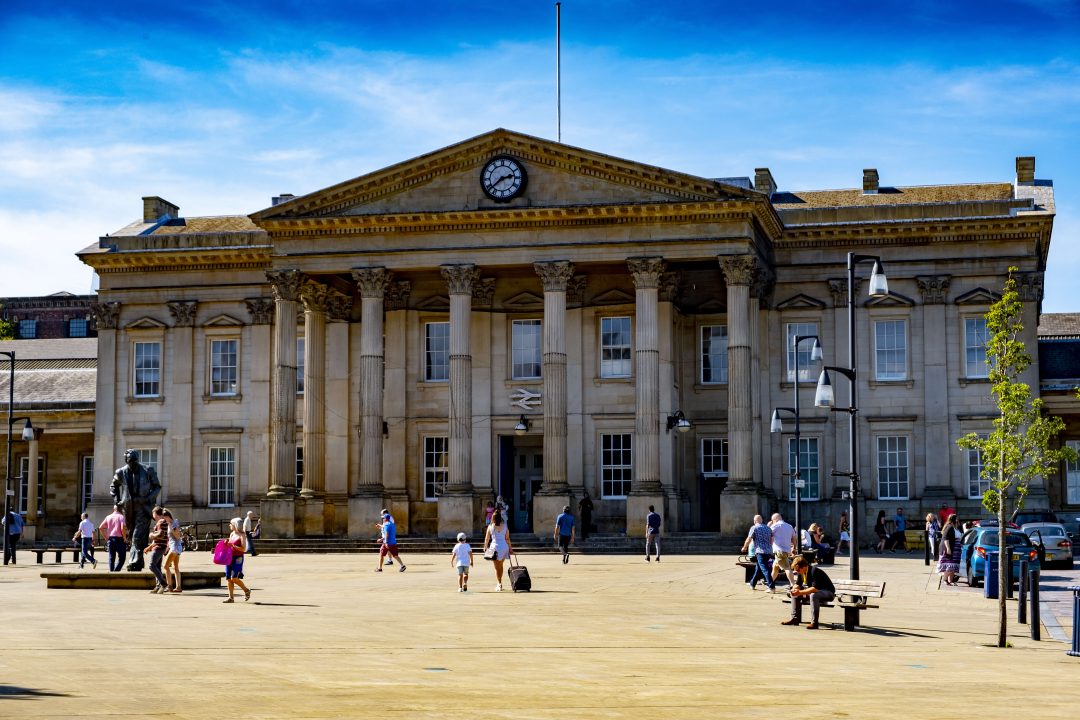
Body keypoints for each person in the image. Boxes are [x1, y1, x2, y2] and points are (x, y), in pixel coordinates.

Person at [110, 449, 161, 571]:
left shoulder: (148, 470)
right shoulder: (121, 472)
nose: (132, 463)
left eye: (134, 461)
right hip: (128, 508)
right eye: (129, 461)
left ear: (137, 460)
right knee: (133, 535)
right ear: (126, 461)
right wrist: (117, 501)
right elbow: (113, 486)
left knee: (137, 536)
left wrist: (147, 498)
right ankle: (139, 562)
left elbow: (157, 487)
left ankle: (133, 562)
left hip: (144, 508)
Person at [781, 555, 836, 629]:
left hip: (828, 592)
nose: (797, 572)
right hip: (817, 592)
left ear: (804, 566)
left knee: (813, 595)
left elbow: (814, 589)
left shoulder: (814, 571)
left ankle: (814, 623)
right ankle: (795, 619)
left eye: (798, 570)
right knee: (795, 594)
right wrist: (794, 589)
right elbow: (798, 584)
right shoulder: (802, 572)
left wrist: (800, 592)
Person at [740, 514, 775, 592]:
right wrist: (769, 547)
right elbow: (772, 539)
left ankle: (771, 586)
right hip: (768, 551)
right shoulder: (768, 528)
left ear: (754, 521)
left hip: (760, 551)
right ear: (761, 520)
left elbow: (749, 538)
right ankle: (752, 583)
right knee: (758, 568)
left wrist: (744, 547)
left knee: (765, 569)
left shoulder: (754, 527)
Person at [223, 517, 251, 602]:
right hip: (229, 557)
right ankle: (231, 598)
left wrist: (233, 546)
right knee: (228, 578)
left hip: (238, 558)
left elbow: (244, 549)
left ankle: (246, 590)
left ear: (235, 525)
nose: (229, 525)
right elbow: (229, 545)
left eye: (231, 524)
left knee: (234, 577)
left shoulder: (242, 535)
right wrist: (226, 544)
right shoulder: (232, 534)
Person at [484, 511, 513, 591]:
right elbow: (507, 539)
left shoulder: (490, 527)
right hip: (504, 547)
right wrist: (510, 548)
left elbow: (487, 538)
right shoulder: (505, 527)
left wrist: (485, 547)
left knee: (497, 568)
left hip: (495, 548)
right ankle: (499, 582)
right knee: (501, 565)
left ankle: (499, 584)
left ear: (493, 518)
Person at [143, 506, 169, 594]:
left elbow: (160, 535)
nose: (153, 516)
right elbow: (161, 537)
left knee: (151, 565)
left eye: (153, 514)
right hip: (161, 546)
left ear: (156, 514)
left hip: (158, 547)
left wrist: (151, 535)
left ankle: (164, 584)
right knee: (157, 567)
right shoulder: (164, 522)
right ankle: (158, 586)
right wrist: (150, 547)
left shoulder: (161, 522)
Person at [98, 504, 128, 572]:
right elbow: (123, 528)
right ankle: (116, 572)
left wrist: (106, 538)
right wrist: (124, 538)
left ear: (113, 509)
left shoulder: (108, 517)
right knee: (122, 558)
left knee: (111, 557)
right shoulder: (121, 517)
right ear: (121, 510)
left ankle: (112, 573)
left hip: (111, 538)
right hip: (120, 539)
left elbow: (100, 527)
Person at [769, 513, 796, 586]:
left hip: (779, 550)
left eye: (772, 520)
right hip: (787, 551)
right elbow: (794, 538)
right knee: (775, 568)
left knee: (787, 568)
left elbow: (768, 533)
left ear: (775, 519)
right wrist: (794, 547)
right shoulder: (789, 526)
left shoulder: (775, 525)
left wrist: (769, 526)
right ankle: (770, 585)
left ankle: (793, 584)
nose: (772, 522)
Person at [162, 508, 183, 593]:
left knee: (165, 566)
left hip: (175, 547)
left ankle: (169, 586)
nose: (164, 520)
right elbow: (169, 539)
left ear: (167, 516)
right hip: (175, 548)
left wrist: (172, 527)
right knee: (176, 567)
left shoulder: (174, 522)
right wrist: (166, 549)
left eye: (164, 518)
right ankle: (178, 587)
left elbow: (178, 536)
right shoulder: (169, 524)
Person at [937, 513, 961, 585]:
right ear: (954, 519)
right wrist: (948, 548)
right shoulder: (949, 527)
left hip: (956, 549)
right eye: (957, 519)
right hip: (951, 548)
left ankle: (951, 580)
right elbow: (945, 538)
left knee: (953, 565)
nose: (958, 520)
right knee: (949, 565)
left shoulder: (955, 527)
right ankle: (945, 579)